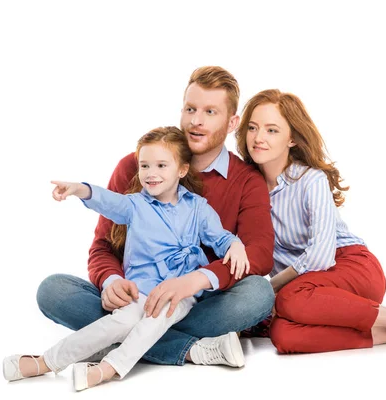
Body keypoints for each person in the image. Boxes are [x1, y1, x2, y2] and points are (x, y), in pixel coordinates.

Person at [35, 66, 275, 367]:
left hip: (198, 302)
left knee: (258, 294)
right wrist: (111, 282)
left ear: (232, 122)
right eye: (190, 109)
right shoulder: (136, 167)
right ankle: (189, 349)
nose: (196, 121)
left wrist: (194, 281)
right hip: (137, 297)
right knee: (53, 291)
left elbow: (260, 254)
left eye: (210, 112)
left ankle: (109, 340)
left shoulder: (246, 180)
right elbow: (103, 247)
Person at [4, 127, 251, 391]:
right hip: (138, 291)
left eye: (161, 165)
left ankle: (107, 368)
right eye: (144, 165)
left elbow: (220, 237)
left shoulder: (198, 207)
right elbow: (107, 201)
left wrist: (235, 245)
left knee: (156, 320)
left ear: (181, 170)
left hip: (178, 293)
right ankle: (46, 361)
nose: (151, 173)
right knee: (118, 323)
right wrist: (79, 189)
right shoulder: (134, 205)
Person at [235, 89, 386, 353]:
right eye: (253, 128)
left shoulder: (310, 180)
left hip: (351, 267)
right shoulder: (248, 189)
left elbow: (320, 258)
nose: (258, 138)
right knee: (283, 335)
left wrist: (270, 289)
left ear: (292, 138)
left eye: (272, 130)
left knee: (290, 300)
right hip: (310, 294)